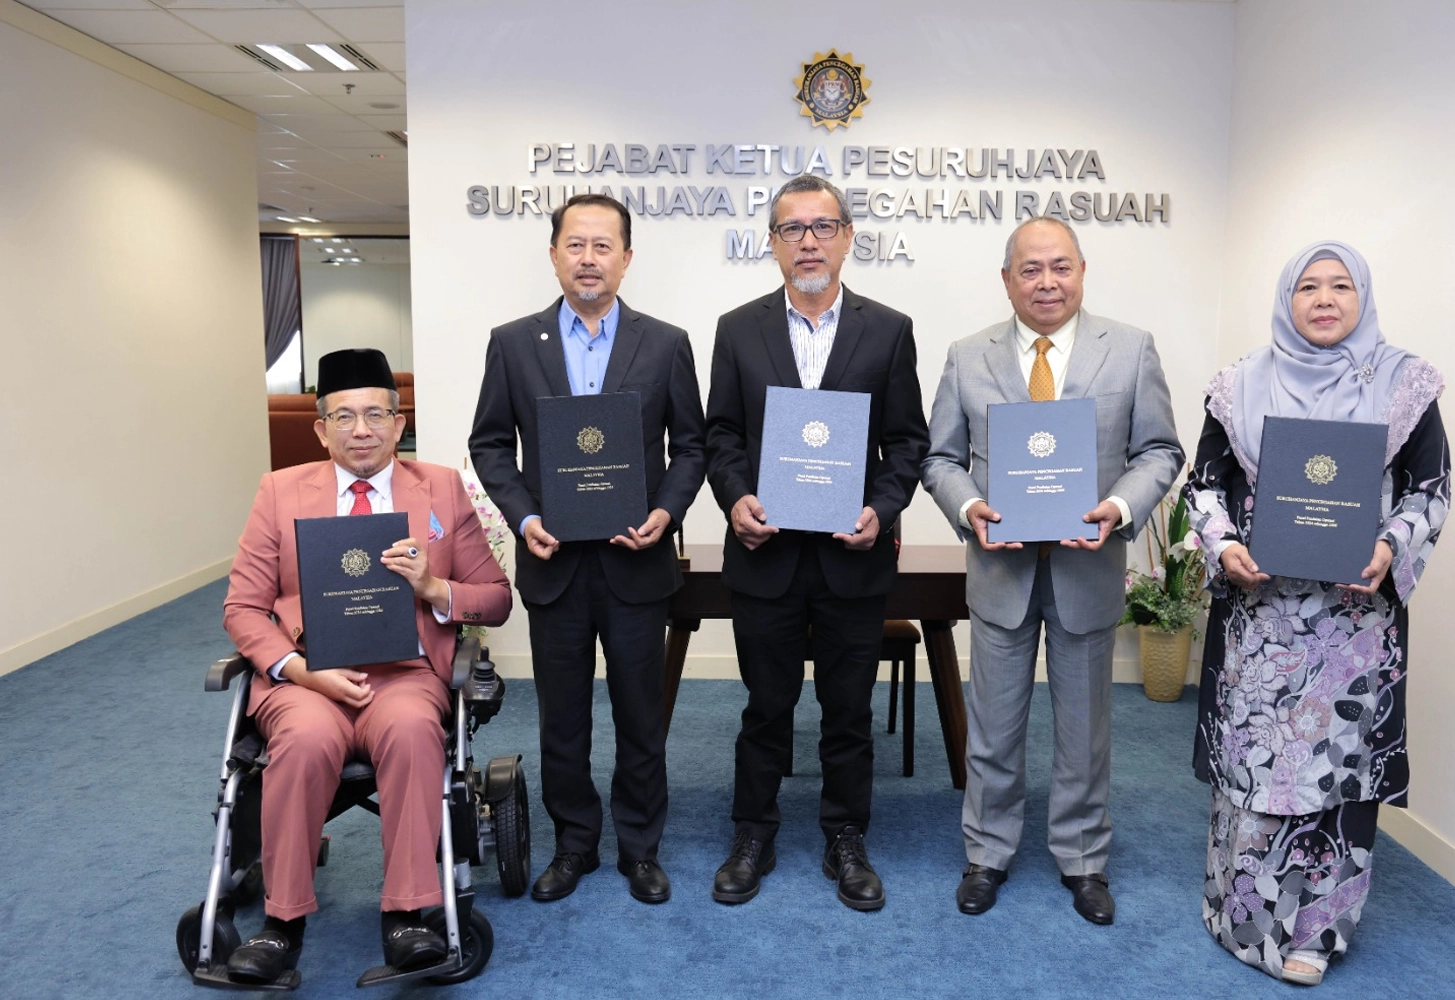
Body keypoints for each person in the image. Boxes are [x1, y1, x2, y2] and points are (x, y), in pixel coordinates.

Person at [1183, 241, 1449, 986]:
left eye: (1340, 286)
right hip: (1261, 618)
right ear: (1286, 299)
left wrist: (1391, 546)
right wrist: (1224, 544)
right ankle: (1240, 915)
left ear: (1363, 298)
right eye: (1307, 286)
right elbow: (1203, 486)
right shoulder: (1239, 384)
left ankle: (1317, 933)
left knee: (1337, 772)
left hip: (1352, 627)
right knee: (1257, 764)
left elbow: (1430, 489)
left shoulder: (1404, 385)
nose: (1325, 299)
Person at [221, 348, 513, 985]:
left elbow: (495, 598)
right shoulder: (280, 492)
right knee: (303, 740)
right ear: (320, 429)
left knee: (411, 732)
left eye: (376, 414)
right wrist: (298, 670)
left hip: (405, 676)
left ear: (399, 423)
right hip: (309, 679)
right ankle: (281, 925)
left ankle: (407, 916)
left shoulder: (440, 487)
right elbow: (242, 607)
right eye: (344, 417)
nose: (362, 430)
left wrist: (434, 588)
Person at [922, 217, 1183, 922]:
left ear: (1082, 271)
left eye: (1060, 267)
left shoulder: (1129, 349)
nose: (1047, 282)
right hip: (999, 573)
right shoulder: (967, 356)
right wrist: (969, 506)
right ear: (1007, 279)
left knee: (1085, 732)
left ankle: (1084, 859)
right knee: (993, 727)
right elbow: (940, 458)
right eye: (1030, 269)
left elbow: (1160, 451)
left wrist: (1117, 509)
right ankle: (987, 853)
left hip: (1086, 571)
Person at [469, 193, 706, 905]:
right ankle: (574, 844)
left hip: (638, 562)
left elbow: (691, 446)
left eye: (604, 246)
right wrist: (523, 518)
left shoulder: (665, 343)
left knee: (641, 716)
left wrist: (666, 511)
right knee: (562, 720)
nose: (589, 258)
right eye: (576, 245)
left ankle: (640, 847)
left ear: (627, 258)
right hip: (555, 566)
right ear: (553, 255)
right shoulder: (514, 343)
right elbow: (490, 444)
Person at [704, 173, 929, 910]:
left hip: (849, 557)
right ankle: (753, 833)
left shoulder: (888, 329)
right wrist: (735, 497)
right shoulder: (738, 329)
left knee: (848, 711)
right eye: (792, 229)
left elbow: (906, 442)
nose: (809, 241)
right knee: (764, 707)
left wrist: (881, 510)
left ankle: (846, 836)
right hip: (765, 554)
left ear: (847, 237)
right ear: (772, 243)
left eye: (823, 226)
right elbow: (721, 433)